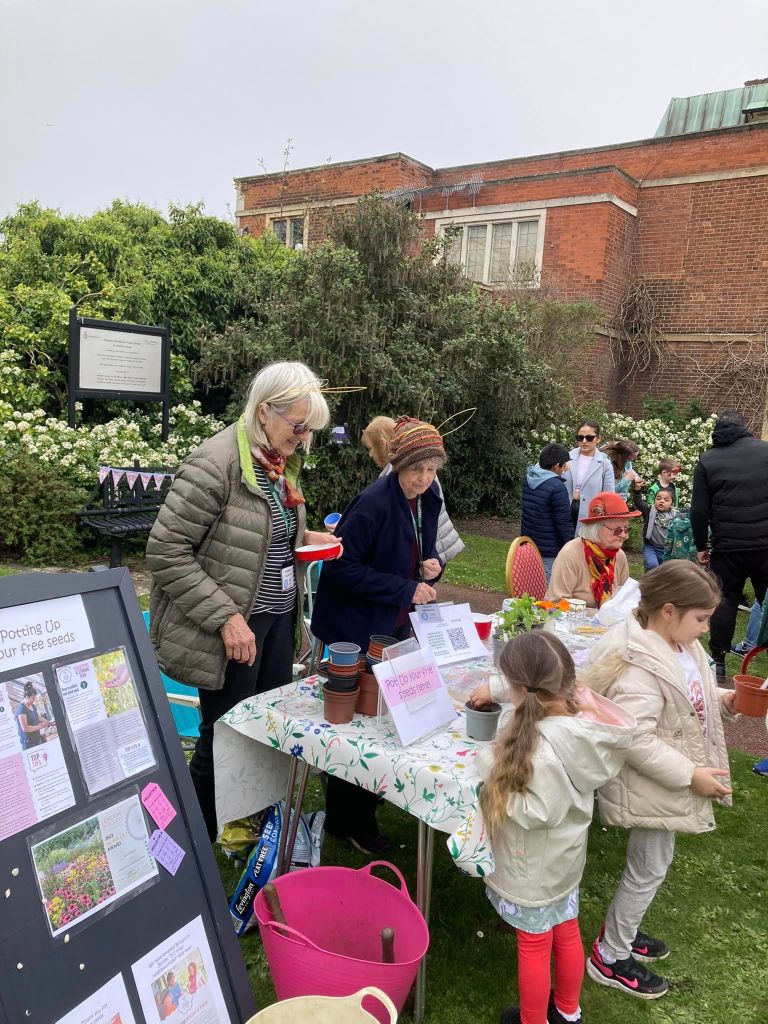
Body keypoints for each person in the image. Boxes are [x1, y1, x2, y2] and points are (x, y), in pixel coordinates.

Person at [147, 361, 340, 841]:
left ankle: (245, 829)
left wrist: (311, 536)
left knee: (263, 729)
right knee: (224, 736)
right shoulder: (216, 464)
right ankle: (187, 842)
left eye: (310, 429)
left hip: (273, 622)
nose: (304, 439)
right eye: (299, 426)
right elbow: (165, 551)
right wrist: (226, 617)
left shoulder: (275, 462)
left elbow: (260, 539)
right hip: (234, 628)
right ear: (263, 412)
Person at [584, 561, 736, 1000]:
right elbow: (635, 740)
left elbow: (694, 693)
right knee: (648, 868)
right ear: (667, 610)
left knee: (651, 866)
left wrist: (727, 700)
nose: (706, 630)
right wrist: (691, 776)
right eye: (701, 619)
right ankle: (610, 956)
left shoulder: (680, 646)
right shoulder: (640, 666)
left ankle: (623, 935)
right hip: (653, 784)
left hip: (669, 779)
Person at [470, 631, 635, 1024]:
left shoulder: (542, 751)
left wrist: (488, 770)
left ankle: (534, 1020)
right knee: (565, 930)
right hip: (564, 861)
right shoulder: (583, 721)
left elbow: (534, 812)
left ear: (519, 689)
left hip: (534, 869)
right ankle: (567, 1011)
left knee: (533, 945)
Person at [312, 416, 446, 853]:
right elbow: (341, 567)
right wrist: (406, 587)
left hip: (390, 622)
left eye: (431, 470)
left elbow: (419, 548)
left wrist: (432, 565)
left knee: (383, 718)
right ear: (397, 465)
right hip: (357, 625)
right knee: (360, 724)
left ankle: (360, 805)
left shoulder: (426, 499)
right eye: (416, 470)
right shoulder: (372, 503)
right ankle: (349, 820)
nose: (424, 479)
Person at [690, 411, 768, 679]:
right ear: (745, 428)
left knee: (725, 602)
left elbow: (699, 510)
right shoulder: (765, 452)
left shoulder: (708, 460)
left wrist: (701, 545)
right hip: (764, 544)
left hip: (728, 545)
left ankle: (719, 660)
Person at [361, 413, 464, 563]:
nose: (370, 455)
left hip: (431, 545)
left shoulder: (405, 475)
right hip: (432, 545)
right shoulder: (413, 469)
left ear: (384, 443)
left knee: (425, 580)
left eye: (370, 448)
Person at [547, 492, 640, 609]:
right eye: (617, 530)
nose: (624, 536)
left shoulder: (619, 555)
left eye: (626, 529)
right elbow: (557, 602)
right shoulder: (571, 553)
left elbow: (625, 598)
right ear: (596, 529)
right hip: (573, 622)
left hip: (609, 622)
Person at [520, 443, 574, 583]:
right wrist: (570, 546)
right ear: (557, 466)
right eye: (564, 464)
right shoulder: (557, 487)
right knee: (546, 588)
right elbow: (563, 522)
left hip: (529, 544)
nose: (566, 468)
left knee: (530, 584)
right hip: (549, 548)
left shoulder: (528, 479)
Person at [562, 421, 615, 528]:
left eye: (589, 438)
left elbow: (609, 495)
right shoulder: (566, 457)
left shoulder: (605, 464)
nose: (584, 441)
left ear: (598, 438)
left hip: (590, 514)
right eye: (580, 437)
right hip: (564, 510)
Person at [631, 484, 676, 571]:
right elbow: (638, 502)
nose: (661, 501)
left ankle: (656, 583)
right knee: (652, 566)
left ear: (672, 504)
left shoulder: (675, 516)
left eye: (666, 500)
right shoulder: (649, 511)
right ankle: (648, 582)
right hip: (651, 547)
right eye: (658, 498)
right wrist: (637, 488)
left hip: (667, 551)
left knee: (664, 573)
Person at [14, 682, 50, 749]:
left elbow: (38, 717)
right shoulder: (21, 709)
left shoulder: (32, 706)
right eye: (33, 699)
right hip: (29, 744)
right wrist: (40, 726)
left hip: (37, 740)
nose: (34, 701)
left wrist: (49, 723)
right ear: (27, 697)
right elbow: (25, 728)